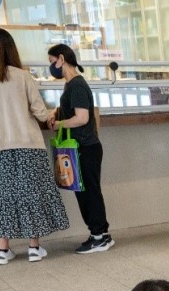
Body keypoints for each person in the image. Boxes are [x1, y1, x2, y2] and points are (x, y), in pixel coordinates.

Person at [0, 28, 68, 265]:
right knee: (32, 194)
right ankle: (34, 247)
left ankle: (2, 250)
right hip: (28, 144)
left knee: (6, 195)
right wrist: (51, 114)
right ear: (11, 48)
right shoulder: (22, 76)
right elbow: (40, 113)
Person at [47, 44, 112, 254]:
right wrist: (56, 114)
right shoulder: (72, 85)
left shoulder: (76, 85)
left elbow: (82, 117)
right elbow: (73, 112)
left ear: (61, 59)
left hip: (86, 147)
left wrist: (59, 125)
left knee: (89, 192)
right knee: (86, 192)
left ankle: (99, 236)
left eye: (51, 62)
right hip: (82, 147)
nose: (52, 67)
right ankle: (100, 234)